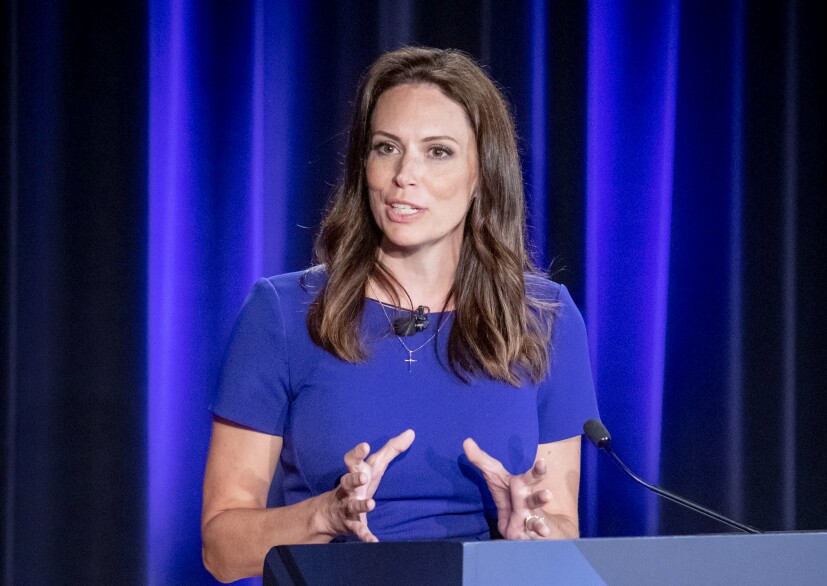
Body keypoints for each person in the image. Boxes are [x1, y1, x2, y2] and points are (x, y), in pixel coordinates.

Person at [201, 46, 599, 582]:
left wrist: (530, 533)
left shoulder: (545, 319)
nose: (404, 175)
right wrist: (324, 515)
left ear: (483, 172)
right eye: (387, 147)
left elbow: (562, 531)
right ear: (363, 163)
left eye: (438, 152)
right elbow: (221, 548)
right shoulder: (284, 313)